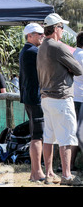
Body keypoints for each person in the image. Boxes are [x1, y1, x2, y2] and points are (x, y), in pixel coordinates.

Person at [37, 13, 83, 186]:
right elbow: (78, 70)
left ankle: (49, 174)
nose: (63, 31)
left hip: (46, 97)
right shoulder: (58, 47)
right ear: (56, 28)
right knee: (67, 137)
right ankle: (66, 175)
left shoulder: (42, 47)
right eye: (62, 27)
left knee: (49, 136)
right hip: (61, 97)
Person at [19, 23, 46, 182]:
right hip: (35, 98)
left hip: (30, 97)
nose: (42, 36)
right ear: (30, 36)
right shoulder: (33, 51)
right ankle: (37, 172)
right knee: (37, 136)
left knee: (36, 135)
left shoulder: (27, 51)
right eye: (39, 34)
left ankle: (34, 172)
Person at [73, 32, 83, 161]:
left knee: (73, 132)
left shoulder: (73, 54)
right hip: (81, 98)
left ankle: (69, 164)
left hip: (73, 96)